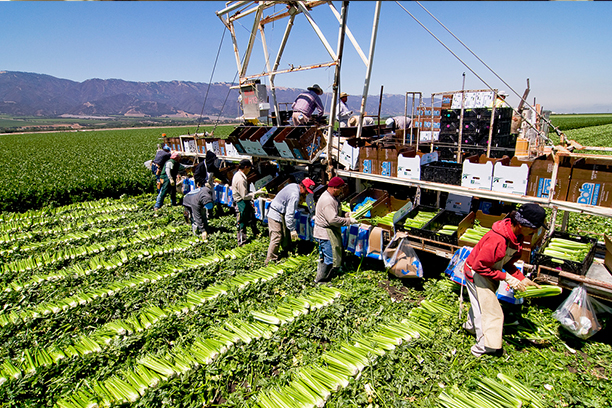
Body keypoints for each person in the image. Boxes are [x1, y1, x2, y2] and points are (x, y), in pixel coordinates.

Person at [462, 203, 546, 357]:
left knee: (479, 304)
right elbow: (479, 266)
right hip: (476, 273)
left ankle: (470, 327)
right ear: (521, 224)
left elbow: (506, 262)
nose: (534, 231)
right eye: (533, 227)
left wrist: (520, 277)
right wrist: (506, 277)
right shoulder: (497, 239)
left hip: (488, 273)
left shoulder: (517, 237)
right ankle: (481, 349)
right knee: (490, 313)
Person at [312, 176, 356, 283]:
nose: (341, 191)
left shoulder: (332, 197)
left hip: (329, 231)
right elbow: (332, 219)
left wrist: (347, 214)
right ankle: (321, 280)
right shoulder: (328, 200)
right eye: (340, 188)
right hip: (325, 233)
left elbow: (335, 213)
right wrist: (349, 221)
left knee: (329, 256)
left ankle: (326, 277)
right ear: (335, 188)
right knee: (329, 258)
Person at [265, 178, 316, 265]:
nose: (306, 193)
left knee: (285, 234)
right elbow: (289, 214)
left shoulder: (293, 185)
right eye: (306, 191)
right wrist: (292, 229)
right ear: (302, 186)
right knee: (276, 236)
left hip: (280, 211)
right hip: (275, 213)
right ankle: (270, 260)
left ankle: (287, 251)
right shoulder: (295, 195)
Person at [231, 159, 263, 246]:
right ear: (246, 167)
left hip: (244, 202)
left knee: (251, 217)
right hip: (241, 202)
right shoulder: (241, 179)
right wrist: (256, 193)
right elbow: (244, 196)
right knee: (242, 222)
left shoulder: (237, 174)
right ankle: (241, 242)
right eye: (249, 168)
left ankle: (256, 233)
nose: (249, 171)